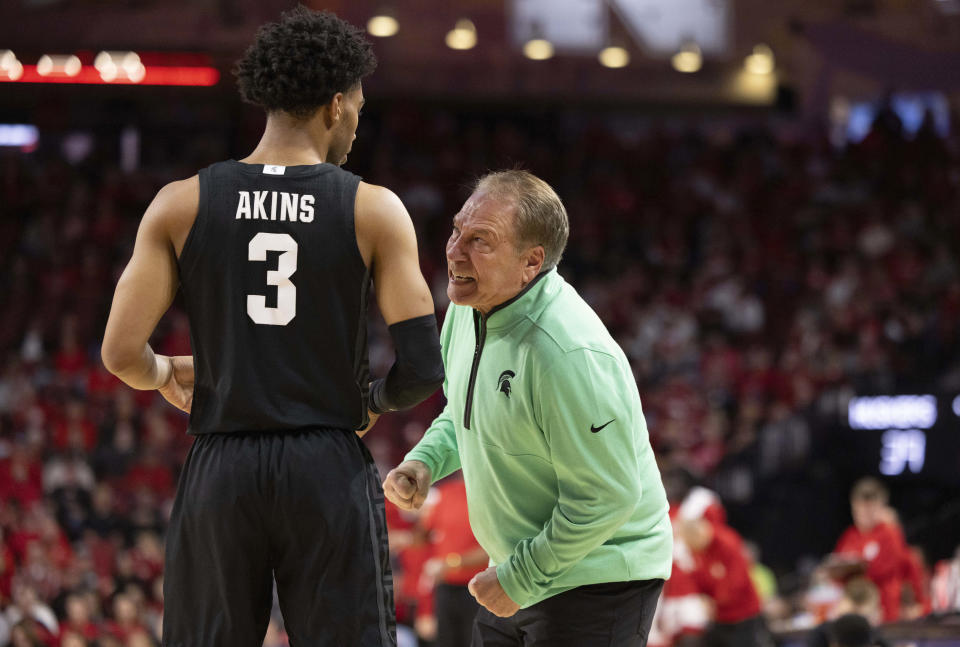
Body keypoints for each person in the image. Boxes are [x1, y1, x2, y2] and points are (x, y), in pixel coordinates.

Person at [100, 7, 444, 646]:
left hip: (222, 466)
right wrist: (372, 403)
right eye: (359, 111)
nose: (356, 128)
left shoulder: (183, 201)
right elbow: (423, 367)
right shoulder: (373, 208)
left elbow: (121, 351)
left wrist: (167, 377)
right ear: (335, 106)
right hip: (326, 466)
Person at [382, 170, 672, 647]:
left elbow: (609, 496)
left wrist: (519, 578)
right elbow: (466, 407)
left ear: (531, 262)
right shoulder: (469, 307)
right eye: (457, 230)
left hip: (599, 578)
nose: (454, 250)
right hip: (522, 568)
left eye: (481, 241)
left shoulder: (567, 354)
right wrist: (426, 460)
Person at [829, 478, 905, 622]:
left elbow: (891, 568)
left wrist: (858, 570)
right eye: (860, 510)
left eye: (869, 510)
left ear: (880, 507)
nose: (864, 515)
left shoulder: (890, 534)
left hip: (883, 610)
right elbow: (837, 571)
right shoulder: (849, 536)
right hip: (851, 610)